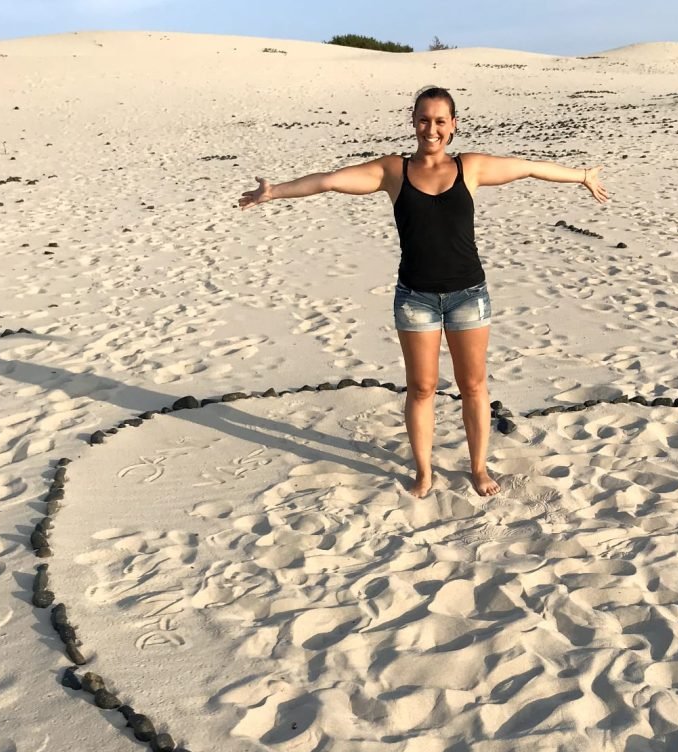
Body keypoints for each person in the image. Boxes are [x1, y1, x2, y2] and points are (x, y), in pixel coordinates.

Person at [239, 86, 608, 498]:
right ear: (413, 122)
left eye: (439, 121)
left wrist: (581, 176)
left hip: (468, 295)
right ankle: (424, 472)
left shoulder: (471, 167)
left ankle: (478, 468)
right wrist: (275, 191)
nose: (431, 129)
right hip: (415, 299)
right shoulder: (393, 171)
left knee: (473, 386)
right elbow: (329, 181)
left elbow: (528, 168)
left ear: (453, 125)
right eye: (423, 120)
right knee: (421, 388)